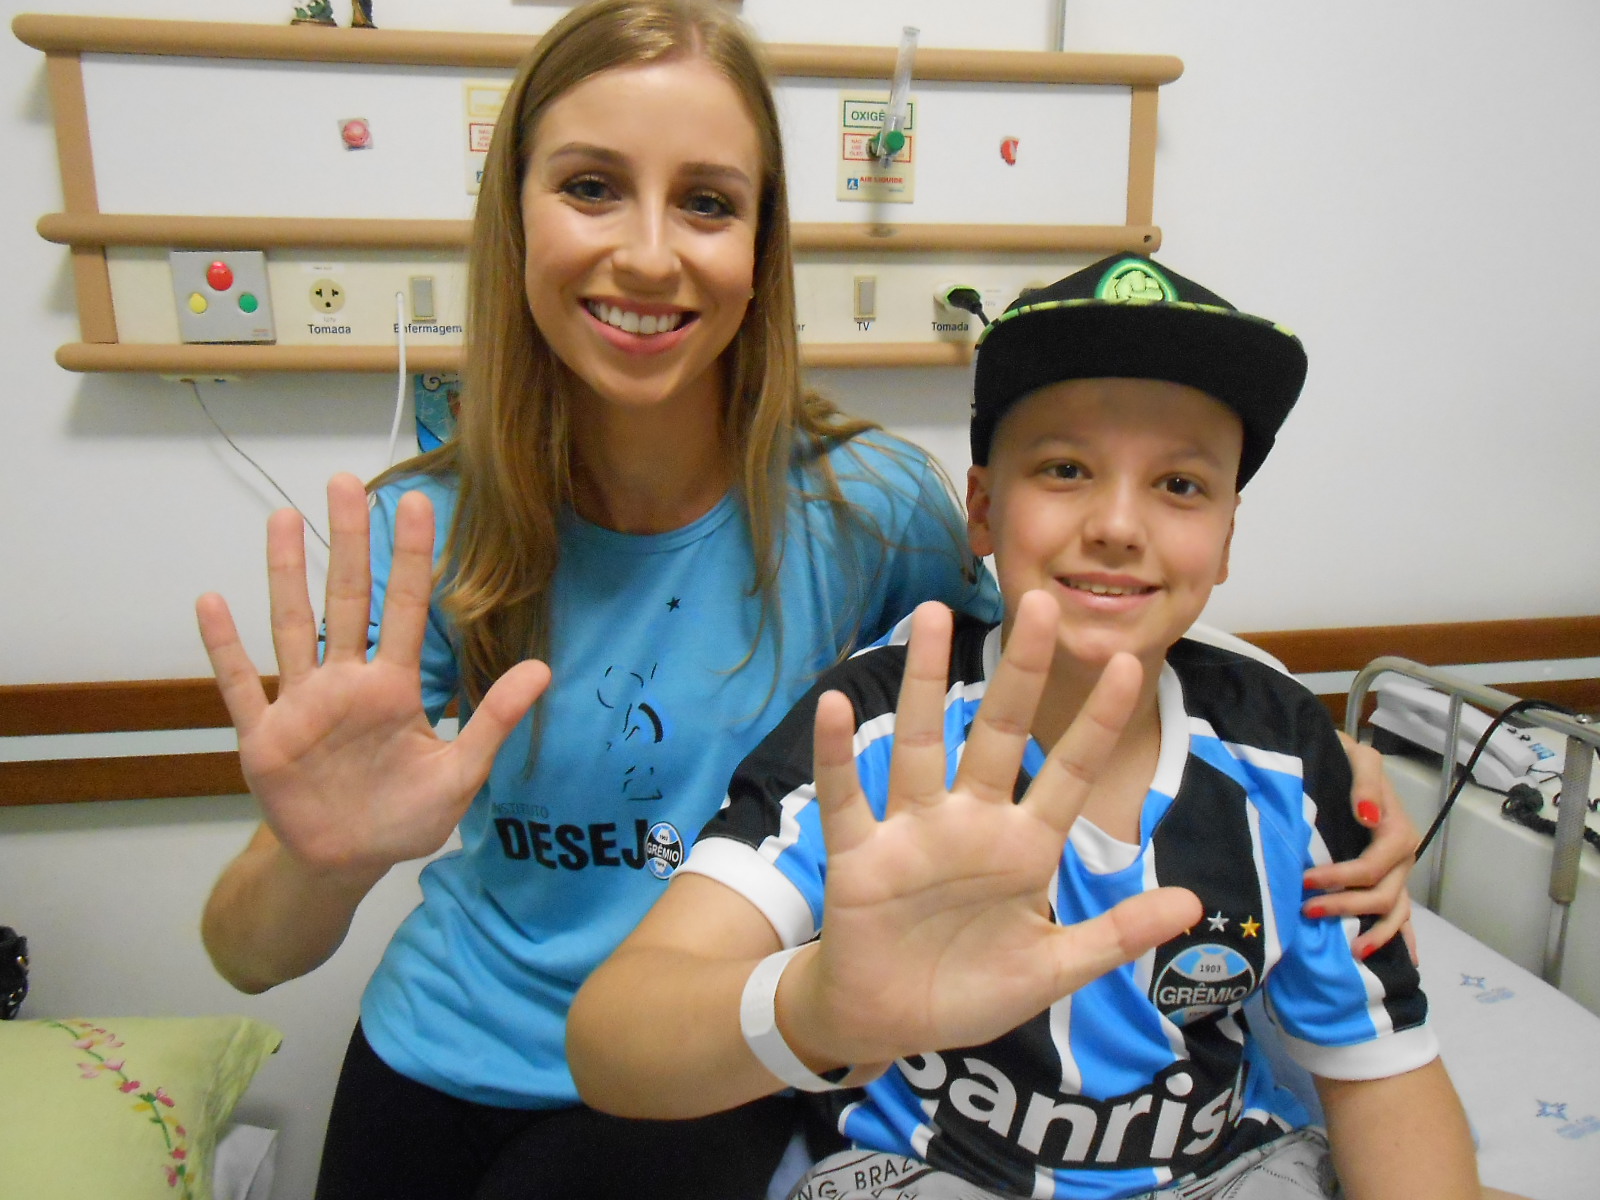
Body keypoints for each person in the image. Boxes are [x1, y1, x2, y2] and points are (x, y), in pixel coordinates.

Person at [195, 0, 1416, 1191]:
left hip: (729, 1052)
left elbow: (1067, 641)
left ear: (759, 250)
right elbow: (247, 957)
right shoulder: (437, 532)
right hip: (438, 1050)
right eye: (590, 186)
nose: (650, 250)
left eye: (709, 203)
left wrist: (1327, 772)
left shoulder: (867, 507)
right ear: (512, 218)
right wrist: (327, 860)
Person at [569, 255, 1507, 1199]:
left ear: (1225, 538)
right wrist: (817, 1008)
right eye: (1065, 469)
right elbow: (615, 1040)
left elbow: (1383, 1080)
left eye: (1180, 485)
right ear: (983, 509)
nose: (1117, 524)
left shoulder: (1288, 757)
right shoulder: (870, 735)